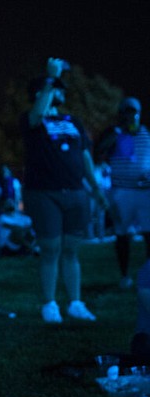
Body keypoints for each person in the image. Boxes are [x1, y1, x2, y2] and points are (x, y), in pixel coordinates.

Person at [19, 57, 107, 323]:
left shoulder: (74, 121)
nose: (60, 92)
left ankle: (75, 303)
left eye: (58, 88)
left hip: (75, 192)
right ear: (41, 92)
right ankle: (49, 305)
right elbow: (36, 115)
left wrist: (95, 188)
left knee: (71, 250)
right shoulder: (31, 120)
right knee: (51, 248)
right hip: (44, 192)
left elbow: (85, 158)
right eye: (55, 88)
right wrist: (51, 77)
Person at [97, 96, 150, 289]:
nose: (131, 116)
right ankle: (125, 275)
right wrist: (118, 134)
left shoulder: (146, 133)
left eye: (134, 112)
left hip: (144, 191)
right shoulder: (114, 134)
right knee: (122, 234)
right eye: (127, 112)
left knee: (148, 233)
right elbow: (99, 150)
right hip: (122, 191)